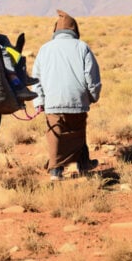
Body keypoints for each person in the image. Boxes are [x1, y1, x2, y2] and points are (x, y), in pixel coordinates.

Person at [32, 10, 102, 181]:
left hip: (52, 101)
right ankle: (83, 165)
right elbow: (91, 76)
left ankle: (56, 171)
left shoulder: (44, 49)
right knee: (78, 131)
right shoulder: (82, 47)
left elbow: (35, 78)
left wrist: (39, 101)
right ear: (74, 30)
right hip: (77, 98)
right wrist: (92, 96)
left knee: (55, 133)